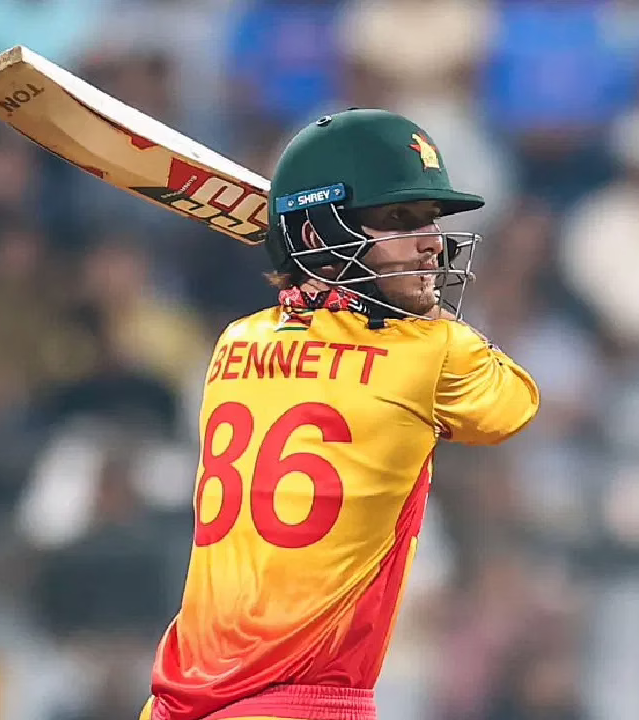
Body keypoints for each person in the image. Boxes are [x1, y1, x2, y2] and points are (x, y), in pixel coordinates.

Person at [139, 108, 542, 720]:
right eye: (400, 220)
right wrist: (433, 321)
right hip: (306, 703)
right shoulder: (431, 352)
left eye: (431, 219)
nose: (432, 241)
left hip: (178, 703)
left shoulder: (235, 343)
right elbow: (512, 407)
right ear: (316, 235)